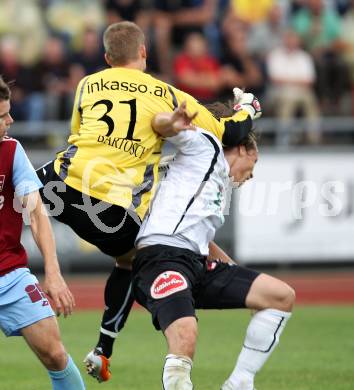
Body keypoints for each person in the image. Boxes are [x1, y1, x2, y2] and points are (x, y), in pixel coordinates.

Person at [37, 20, 261, 382]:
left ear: (108, 57)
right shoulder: (167, 93)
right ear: (144, 52)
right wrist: (251, 106)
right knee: (133, 258)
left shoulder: (86, 84)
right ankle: (102, 350)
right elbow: (232, 131)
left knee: (18, 195)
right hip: (109, 205)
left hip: (60, 181)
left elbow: (78, 131)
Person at [132, 103, 296, 390]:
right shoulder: (205, 145)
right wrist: (173, 120)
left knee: (280, 296)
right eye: (254, 162)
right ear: (243, 148)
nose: (251, 174)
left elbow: (200, 238)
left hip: (193, 261)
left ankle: (240, 382)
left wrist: (233, 272)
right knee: (185, 335)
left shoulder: (213, 177)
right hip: (162, 258)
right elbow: (162, 125)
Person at [0, 77, 85, 389]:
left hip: (10, 274)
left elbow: (35, 213)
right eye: (3, 116)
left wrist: (53, 272)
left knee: (54, 353)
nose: (11, 120)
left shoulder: (11, 152)